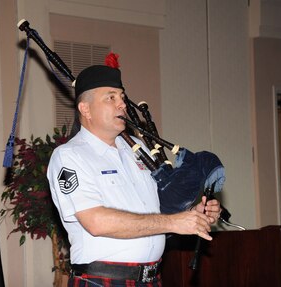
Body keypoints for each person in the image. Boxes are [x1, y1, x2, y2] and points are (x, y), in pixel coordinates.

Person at [47, 64, 221, 286]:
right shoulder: (69, 156)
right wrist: (174, 222)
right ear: (86, 109)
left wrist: (193, 215)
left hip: (152, 278)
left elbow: (154, 211)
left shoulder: (137, 149)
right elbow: (96, 222)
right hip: (102, 281)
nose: (122, 104)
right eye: (111, 98)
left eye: (121, 96)